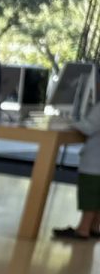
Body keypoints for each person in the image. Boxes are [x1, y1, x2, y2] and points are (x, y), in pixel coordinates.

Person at [51, 101, 100, 240]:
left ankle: (83, 229)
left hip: (93, 164)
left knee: (89, 196)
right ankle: (95, 227)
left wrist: (72, 124)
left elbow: (89, 127)